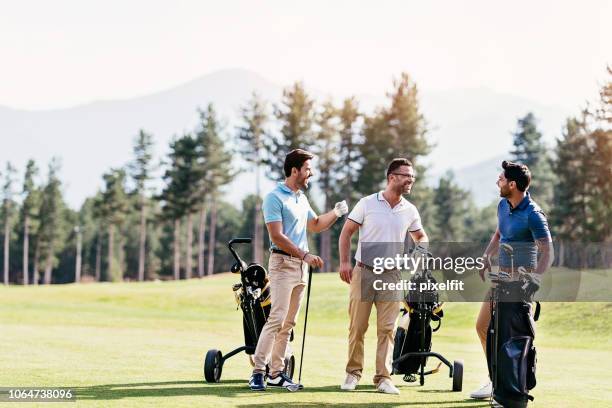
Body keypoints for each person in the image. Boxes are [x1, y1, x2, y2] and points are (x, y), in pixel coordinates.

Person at [249, 148, 349, 391]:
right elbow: (277, 236)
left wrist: (336, 213)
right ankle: (257, 372)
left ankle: (276, 373)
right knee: (277, 318)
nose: (310, 174)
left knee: (289, 323)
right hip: (283, 264)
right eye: (307, 169)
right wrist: (304, 254)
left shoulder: (301, 198)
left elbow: (314, 225)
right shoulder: (274, 197)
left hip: (300, 268)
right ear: (294, 170)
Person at [337, 158, 428, 395]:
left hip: (392, 275)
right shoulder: (367, 203)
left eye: (413, 177)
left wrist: (414, 257)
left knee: (387, 329)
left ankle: (383, 378)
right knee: (358, 326)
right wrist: (345, 262)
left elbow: (422, 238)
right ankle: (352, 373)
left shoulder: (409, 209)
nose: (411, 180)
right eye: (406, 175)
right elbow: (346, 233)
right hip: (364, 271)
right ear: (392, 177)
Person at [469, 160, 553, 400]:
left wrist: (535, 276)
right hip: (500, 279)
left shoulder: (533, 214)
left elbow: (548, 251)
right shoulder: (503, 206)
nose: (498, 182)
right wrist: (486, 257)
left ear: (512, 184)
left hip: (520, 283)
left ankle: (513, 382)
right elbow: (499, 234)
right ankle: (495, 378)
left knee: (511, 335)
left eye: (501, 179)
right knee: (483, 326)